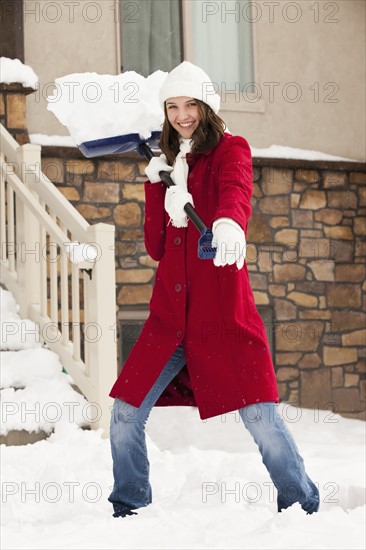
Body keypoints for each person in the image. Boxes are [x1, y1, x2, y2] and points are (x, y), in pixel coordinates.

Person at [108, 61, 320, 518]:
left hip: (222, 317)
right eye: (172, 106)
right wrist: (157, 189)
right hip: (169, 321)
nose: (182, 114)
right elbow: (156, 247)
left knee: (261, 420)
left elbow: (236, 190)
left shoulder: (230, 149)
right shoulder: (167, 165)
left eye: (190, 105)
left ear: (206, 106)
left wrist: (226, 224)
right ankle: (130, 506)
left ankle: (303, 507)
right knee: (125, 414)